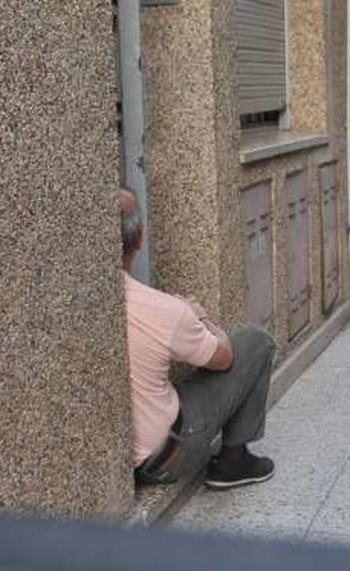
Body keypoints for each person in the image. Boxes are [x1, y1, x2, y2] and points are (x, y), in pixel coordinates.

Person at [118, 189, 276, 489]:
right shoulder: (166, 310)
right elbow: (224, 357)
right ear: (140, 239)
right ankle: (234, 460)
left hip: (124, 464)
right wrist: (199, 316)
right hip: (166, 459)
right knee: (255, 342)